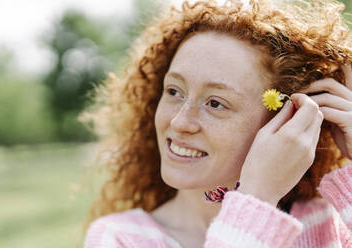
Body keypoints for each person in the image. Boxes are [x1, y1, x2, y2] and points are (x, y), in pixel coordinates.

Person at [81, 0, 352, 247]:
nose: (180, 122)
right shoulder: (118, 238)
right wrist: (255, 200)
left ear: (284, 122)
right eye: (174, 91)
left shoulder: (325, 223)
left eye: (215, 103)